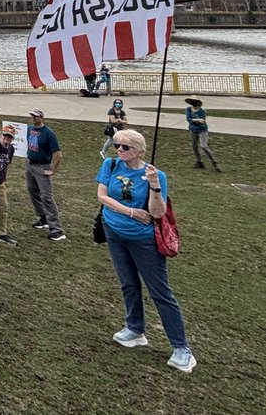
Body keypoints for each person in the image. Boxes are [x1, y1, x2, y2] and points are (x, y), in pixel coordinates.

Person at [97, 129, 196, 373]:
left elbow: (157, 212)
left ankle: (181, 348)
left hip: (144, 240)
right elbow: (102, 196)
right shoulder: (110, 166)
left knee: (160, 291)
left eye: (125, 147)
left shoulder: (155, 175)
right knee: (128, 284)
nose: (120, 150)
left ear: (140, 151)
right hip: (115, 232)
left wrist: (154, 187)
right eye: (118, 145)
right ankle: (135, 328)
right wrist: (129, 212)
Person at [26, 109, 66, 241]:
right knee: (33, 192)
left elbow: (58, 154)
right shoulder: (30, 129)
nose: (33, 118)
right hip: (30, 165)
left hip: (42, 166)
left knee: (47, 197)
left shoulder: (48, 133)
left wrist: (52, 170)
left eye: (35, 116)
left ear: (41, 118)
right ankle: (43, 217)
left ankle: (56, 229)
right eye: (32, 115)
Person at [0, 125, 18, 246]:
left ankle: (2, 234)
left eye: (10, 136)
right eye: (5, 135)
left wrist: (3, 179)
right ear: (1, 134)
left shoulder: (11, 149)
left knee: (3, 207)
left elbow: (7, 165)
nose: (7, 138)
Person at [185, 97, 220, 171]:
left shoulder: (202, 111)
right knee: (194, 146)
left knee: (204, 146)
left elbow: (202, 122)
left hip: (202, 130)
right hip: (193, 130)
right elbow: (189, 119)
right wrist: (197, 120)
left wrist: (195, 120)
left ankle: (214, 161)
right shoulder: (188, 109)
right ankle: (199, 161)